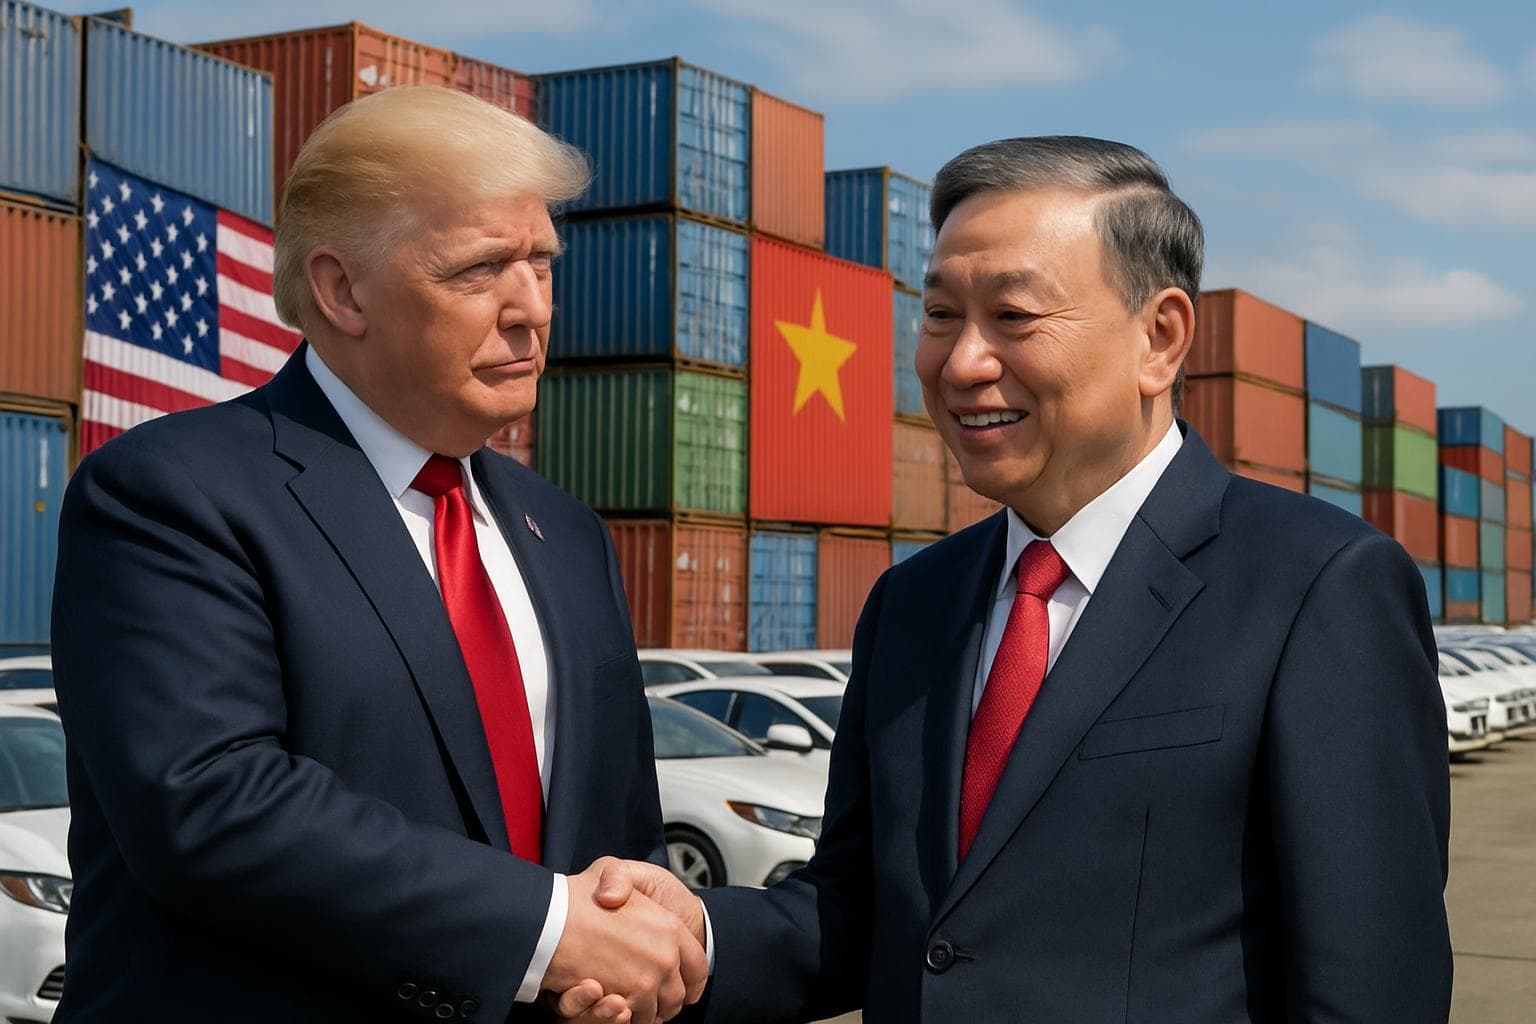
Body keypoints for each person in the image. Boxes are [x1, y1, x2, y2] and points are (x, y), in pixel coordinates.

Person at [575, 136, 1453, 1022]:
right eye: (940, 315)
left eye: (1014, 316)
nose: (962, 363)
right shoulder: (912, 603)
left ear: (1160, 338)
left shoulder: (1318, 587)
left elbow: (1370, 982)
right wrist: (691, 937)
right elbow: (867, 911)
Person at [51, 86, 704, 1024]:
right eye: (481, 270)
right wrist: (546, 931)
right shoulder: (168, 494)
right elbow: (210, 804)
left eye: (541, 264)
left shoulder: (568, 535)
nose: (531, 309)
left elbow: (617, 832)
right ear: (342, 291)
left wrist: (629, 941)